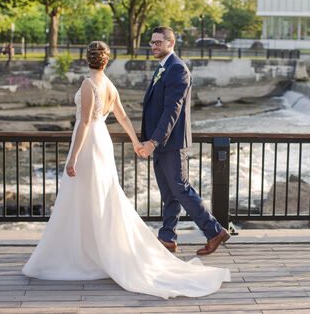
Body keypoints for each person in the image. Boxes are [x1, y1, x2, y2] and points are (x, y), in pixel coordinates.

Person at [22, 41, 230, 299]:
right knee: (103, 196)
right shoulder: (110, 85)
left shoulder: (89, 84)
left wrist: (72, 157)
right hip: (103, 144)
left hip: (89, 143)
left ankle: (85, 251)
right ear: (106, 61)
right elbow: (123, 118)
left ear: (86, 59)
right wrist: (135, 142)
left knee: (83, 196)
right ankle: (98, 248)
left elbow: (85, 121)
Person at [140, 26, 230, 255]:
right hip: (160, 143)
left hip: (172, 143)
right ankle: (167, 237)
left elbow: (172, 110)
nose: (153, 46)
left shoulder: (178, 69)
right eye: (152, 42)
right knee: (168, 192)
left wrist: (154, 141)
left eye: (158, 42)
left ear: (171, 43)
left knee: (181, 189)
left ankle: (215, 231)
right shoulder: (163, 68)